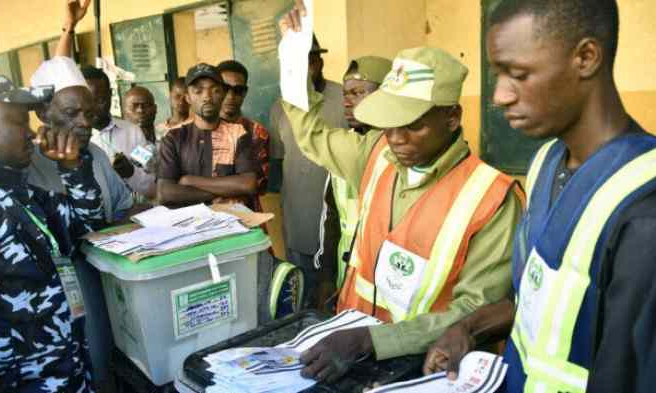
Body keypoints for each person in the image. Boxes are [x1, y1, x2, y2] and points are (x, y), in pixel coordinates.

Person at [278, 3, 523, 383]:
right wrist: (292, 62)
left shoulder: (492, 198)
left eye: (414, 125)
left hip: (424, 368)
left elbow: (476, 308)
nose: (396, 138)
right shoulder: (375, 153)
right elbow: (313, 134)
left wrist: (373, 340)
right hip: (347, 350)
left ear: (453, 117)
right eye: (389, 123)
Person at [423, 1, 656, 392]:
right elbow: (542, 303)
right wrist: (468, 327)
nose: (498, 96)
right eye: (497, 74)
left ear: (585, 57)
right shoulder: (547, 162)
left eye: (518, 74)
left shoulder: (643, 213)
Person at [0, 73, 104, 391]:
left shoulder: (12, 189)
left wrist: (72, 167)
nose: (31, 133)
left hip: (65, 373)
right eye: (17, 122)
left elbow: (87, 227)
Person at [26, 3, 129, 391]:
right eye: (71, 113)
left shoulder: (96, 154)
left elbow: (120, 207)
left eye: (88, 112)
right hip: (56, 298)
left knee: (107, 365)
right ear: (42, 113)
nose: (84, 122)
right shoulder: (26, 165)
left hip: (110, 279)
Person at [269, 34, 347, 308]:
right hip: (297, 216)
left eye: (308, 61)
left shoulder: (344, 99)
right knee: (301, 292)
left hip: (337, 222)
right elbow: (278, 160)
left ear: (318, 61)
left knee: (335, 294)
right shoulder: (280, 107)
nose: (303, 70)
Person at [314, 56, 392, 306]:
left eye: (358, 93)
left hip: (385, 286)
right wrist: (327, 276)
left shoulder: (401, 152)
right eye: (345, 93)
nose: (347, 102)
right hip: (345, 277)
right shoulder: (345, 147)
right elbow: (331, 218)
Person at [156, 63, 259, 208]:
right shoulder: (174, 137)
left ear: (223, 94)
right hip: (188, 224)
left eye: (215, 90)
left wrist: (190, 181)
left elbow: (248, 184)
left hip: (234, 220)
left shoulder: (238, 133)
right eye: (198, 91)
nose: (207, 97)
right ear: (188, 98)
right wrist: (223, 193)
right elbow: (165, 193)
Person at [83, 66, 156, 202]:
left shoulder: (133, 132)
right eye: (88, 102)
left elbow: (151, 187)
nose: (95, 108)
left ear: (111, 94)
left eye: (100, 100)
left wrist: (131, 173)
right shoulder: (77, 139)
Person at [217, 59, 270, 212]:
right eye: (225, 88)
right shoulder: (199, 130)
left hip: (247, 218)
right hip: (206, 221)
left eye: (237, 90)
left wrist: (204, 184)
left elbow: (256, 186)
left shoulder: (257, 133)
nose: (230, 96)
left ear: (245, 93)